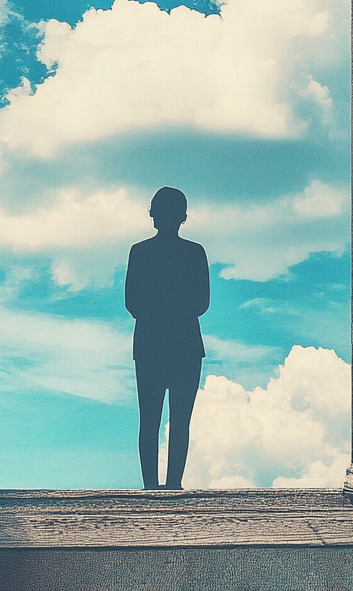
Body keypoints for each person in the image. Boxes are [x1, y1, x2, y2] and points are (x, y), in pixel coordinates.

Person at [124, 187, 210, 489]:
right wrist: (174, 309)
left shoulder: (142, 252)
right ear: (183, 217)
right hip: (179, 343)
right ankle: (167, 485)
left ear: (153, 215)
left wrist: (159, 309)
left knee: (153, 419)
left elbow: (134, 303)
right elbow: (199, 303)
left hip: (154, 343)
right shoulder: (193, 252)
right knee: (167, 420)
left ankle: (159, 485)